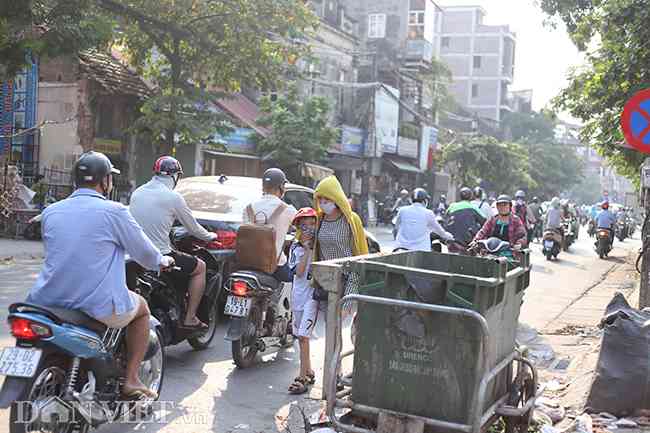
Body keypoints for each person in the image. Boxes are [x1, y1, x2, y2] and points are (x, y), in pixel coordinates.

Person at [27, 151, 173, 399]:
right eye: (110, 178)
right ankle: (131, 380)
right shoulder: (114, 211)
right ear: (105, 181)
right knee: (141, 309)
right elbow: (146, 255)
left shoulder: (51, 211)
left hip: (46, 299)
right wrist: (162, 260)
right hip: (95, 304)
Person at [130, 156, 218, 330]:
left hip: (135, 254)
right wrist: (211, 236)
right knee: (200, 267)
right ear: (175, 176)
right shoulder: (173, 197)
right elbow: (193, 228)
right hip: (161, 255)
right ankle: (191, 317)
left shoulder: (137, 192)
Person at [313, 176, 368, 314]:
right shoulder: (319, 219)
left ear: (336, 200)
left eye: (327, 200)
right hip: (326, 280)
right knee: (328, 322)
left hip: (348, 278)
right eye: (320, 200)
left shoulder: (351, 220)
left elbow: (360, 251)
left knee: (341, 319)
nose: (323, 203)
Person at [242, 168, 298, 281]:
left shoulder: (248, 208)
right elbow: (301, 229)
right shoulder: (287, 210)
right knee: (294, 281)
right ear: (282, 187)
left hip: (248, 263)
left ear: (263, 186)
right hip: (275, 267)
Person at [287, 208, 320, 394]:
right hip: (298, 296)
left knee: (304, 336)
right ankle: (309, 370)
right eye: (304, 225)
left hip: (312, 297)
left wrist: (312, 249)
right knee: (301, 337)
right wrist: (306, 250)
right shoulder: (295, 247)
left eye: (312, 223)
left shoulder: (321, 246)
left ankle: (302, 377)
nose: (308, 228)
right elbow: (298, 272)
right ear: (298, 226)